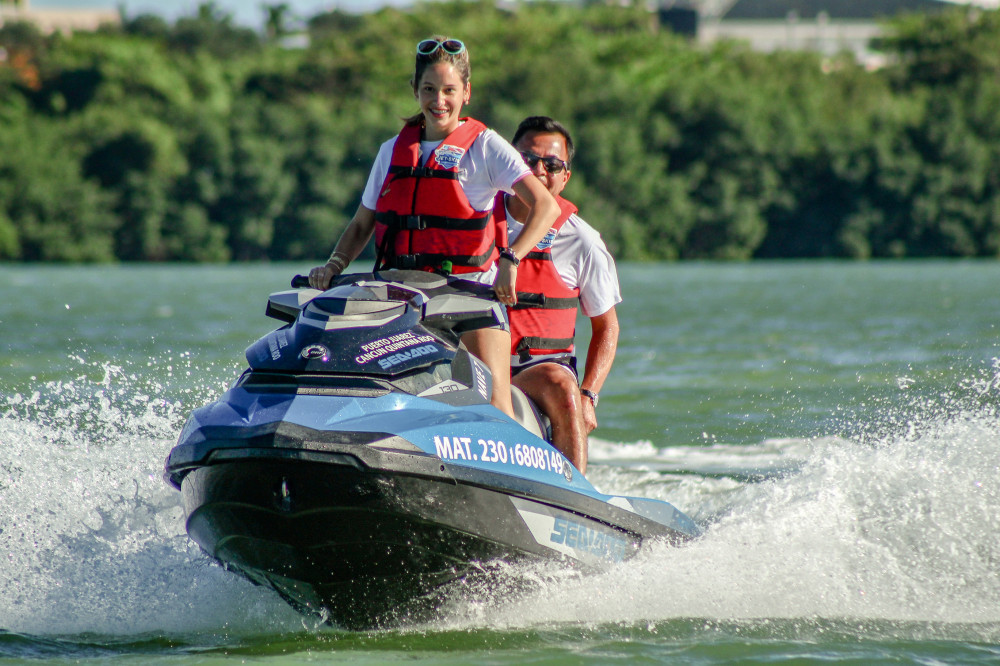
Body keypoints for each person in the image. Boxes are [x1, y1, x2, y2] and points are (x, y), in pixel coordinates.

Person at [307, 37, 559, 419]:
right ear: (415, 91)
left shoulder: (486, 148)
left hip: (470, 298)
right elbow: (362, 224)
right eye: (429, 89)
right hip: (398, 295)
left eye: (448, 90)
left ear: (466, 93)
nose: (438, 101)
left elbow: (546, 205)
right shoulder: (392, 150)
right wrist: (333, 266)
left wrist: (511, 258)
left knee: (495, 400)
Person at [493, 116, 622, 474]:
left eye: (551, 165)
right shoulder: (475, 221)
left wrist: (589, 395)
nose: (538, 171)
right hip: (474, 361)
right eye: (527, 160)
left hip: (534, 373)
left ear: (565, 176)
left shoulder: (583, 242)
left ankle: (572, 498)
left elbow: (606, 327)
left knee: (563, 386)